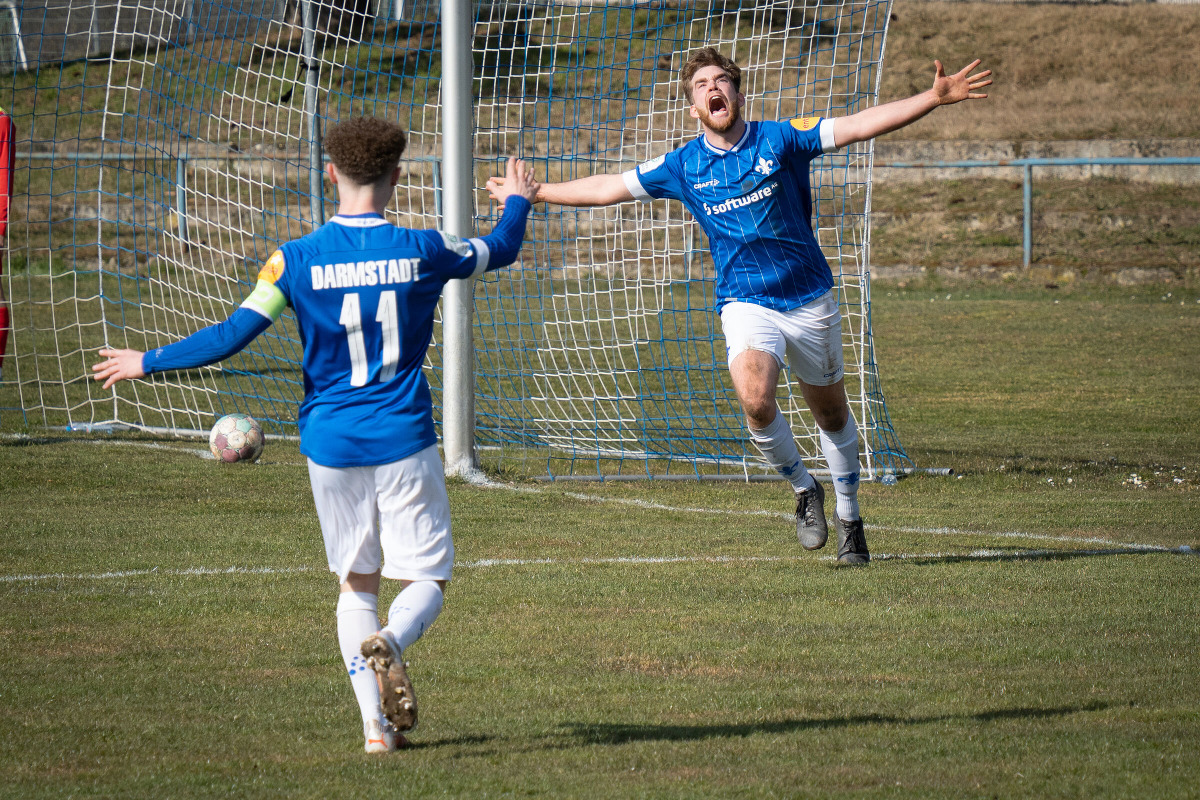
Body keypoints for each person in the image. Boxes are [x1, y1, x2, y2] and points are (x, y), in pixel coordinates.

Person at [93, 116, 541, 752]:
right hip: (404, 437)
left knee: (356, 585)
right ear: (396, 176)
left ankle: (375, 731)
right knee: (426, 579)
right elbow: (501, 247)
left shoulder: (294, 260)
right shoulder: (425, 248)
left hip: (330, 445)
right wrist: (518, 200)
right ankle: (393, 640)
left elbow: (231, 336)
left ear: (330, 173)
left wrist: (147, 360)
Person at [488, 48, 990, 565]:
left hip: (809, 297)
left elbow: (858, 125)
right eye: (701, 84)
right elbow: (610, 187)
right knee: (755, 400)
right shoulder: (683, 165)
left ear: (737, 92)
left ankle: (850, 518)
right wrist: (536, 193)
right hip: (746, 301)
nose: (713, 88)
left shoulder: (780, 138)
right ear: (693, 108)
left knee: (831, 413)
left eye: (721, 80)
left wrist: (933, 98)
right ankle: (804, 488)